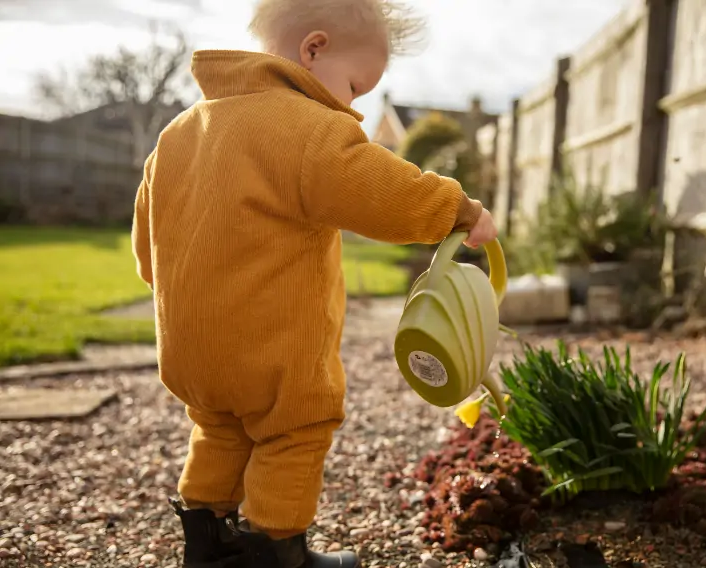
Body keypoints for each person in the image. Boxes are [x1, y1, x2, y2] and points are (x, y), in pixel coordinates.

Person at [130, 0, 498, 567]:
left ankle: (207, 545)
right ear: (314, 49)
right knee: (294, 427)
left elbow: (147, 239)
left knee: (219, 429)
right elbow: (381, 189)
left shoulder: (179, 132)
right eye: (355, 85)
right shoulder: (306, 130)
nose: (354, 102)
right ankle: (279, 552)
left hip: (188, 345)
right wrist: (459, 210)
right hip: (271, 346)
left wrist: (170, 292)